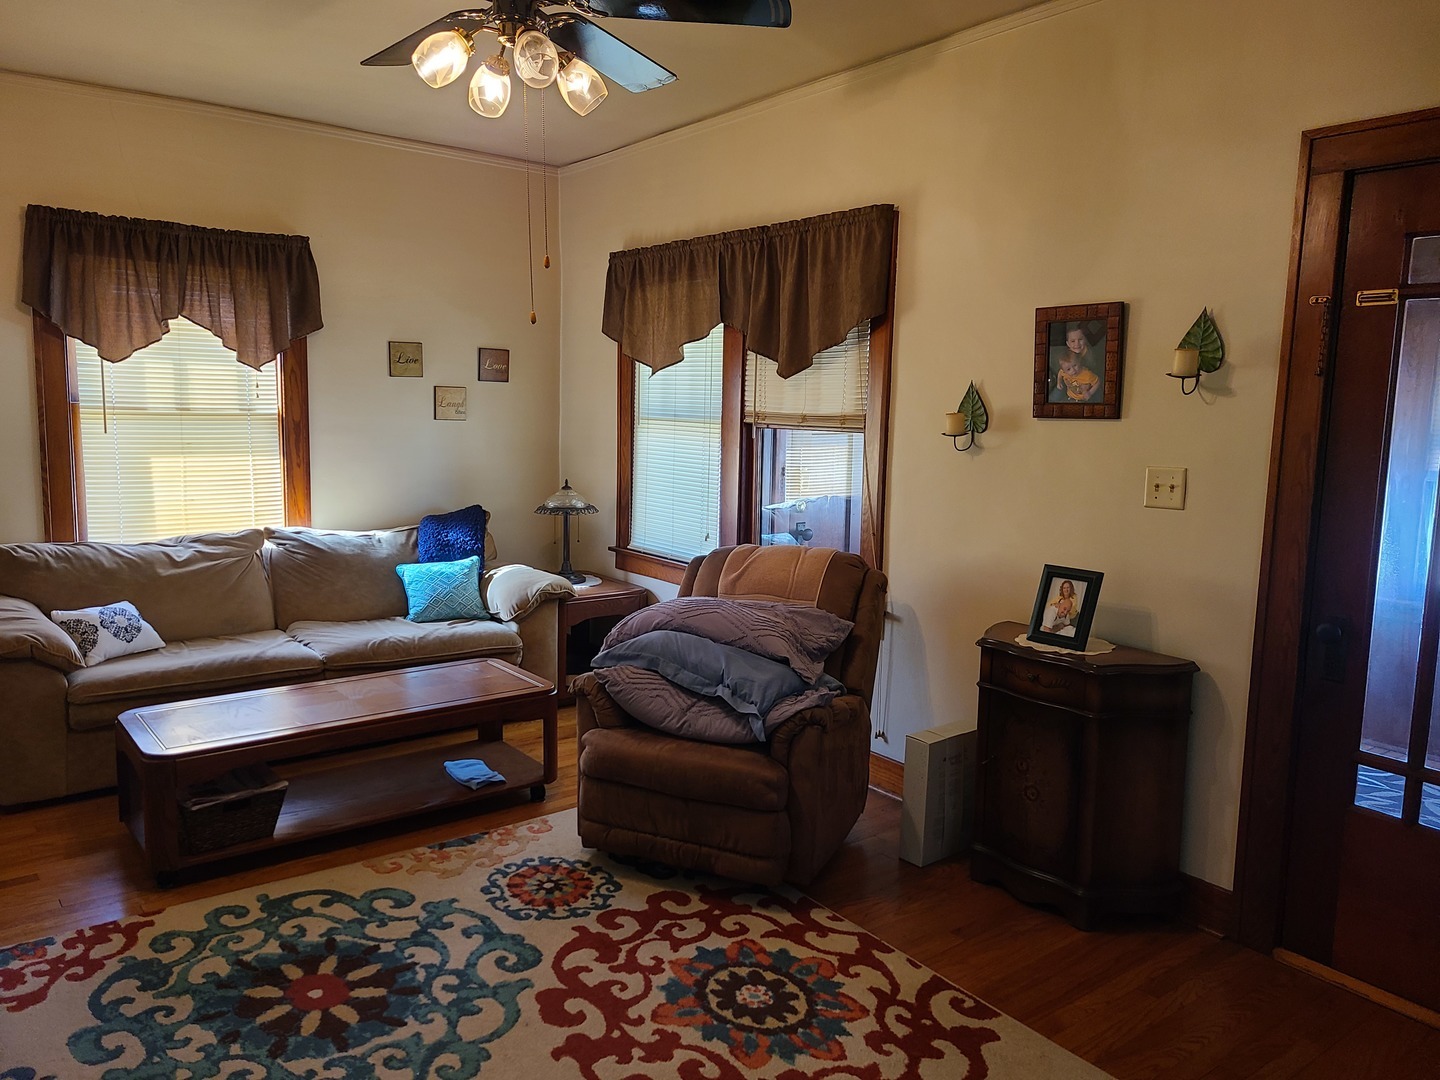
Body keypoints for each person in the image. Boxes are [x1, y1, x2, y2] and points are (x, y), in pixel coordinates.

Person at [1050, 323, 1102, 404]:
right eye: (1073, 341)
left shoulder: (1090, 356)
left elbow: (1095, 377)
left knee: (1096, 399)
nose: (1077, 344)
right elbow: (1061, 371)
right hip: (1069, 382)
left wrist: (1089, 389)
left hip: (1087, 383)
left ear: (1085, 340)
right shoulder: (1066, 355)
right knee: (1054, 397)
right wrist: (1059, 382)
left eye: (1080, 339)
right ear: (1068, 344)